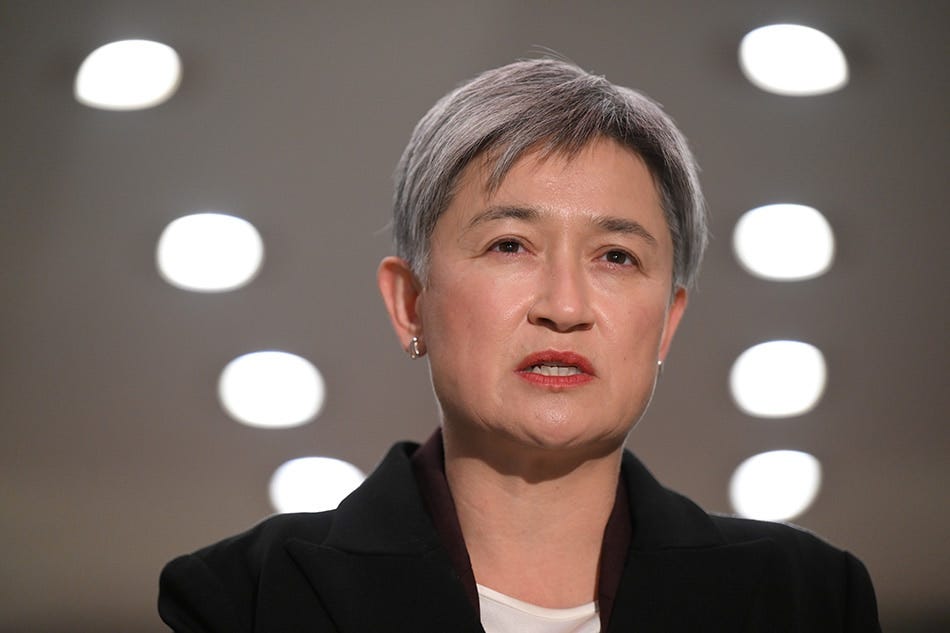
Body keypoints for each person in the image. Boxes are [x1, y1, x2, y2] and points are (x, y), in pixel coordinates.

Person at [158, 58, 882, 632]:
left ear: (666, 321)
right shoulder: (249, 598)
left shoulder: (805, 600)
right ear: (411, 303)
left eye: (617, 257)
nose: (564, 307)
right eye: (510, 245)